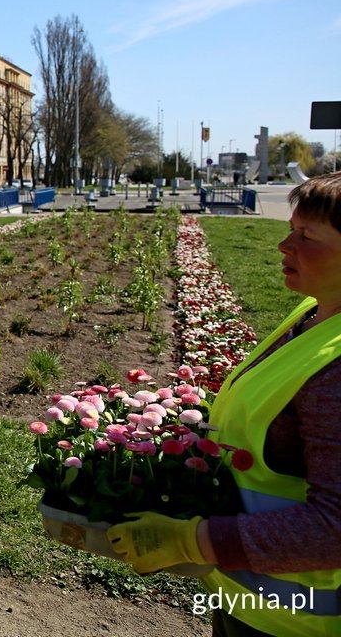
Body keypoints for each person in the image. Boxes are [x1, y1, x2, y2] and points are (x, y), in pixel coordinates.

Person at [108, 171, 341, 637]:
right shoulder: (313, 313)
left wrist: (193, 541)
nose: (283, 244)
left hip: (297, 621)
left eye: (305, 235)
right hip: (244, 597)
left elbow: (334, 528)